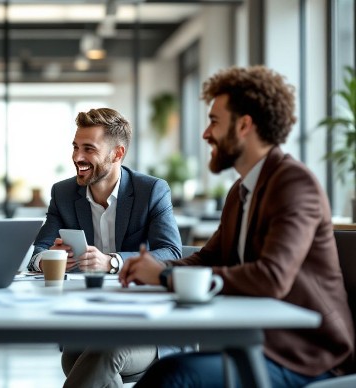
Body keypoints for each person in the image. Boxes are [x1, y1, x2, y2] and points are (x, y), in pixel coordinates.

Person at [122, 65, 355, 387]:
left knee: (173, 375)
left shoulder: (293, 183)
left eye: (214, 121)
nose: (206, 134)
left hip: (307, 355)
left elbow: (271, 278)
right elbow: (209, 257)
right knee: (171, 370)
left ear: (244, 125)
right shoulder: (242, 190)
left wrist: (164, 275)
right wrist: (150, 268)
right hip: (258, 343)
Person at [27, 107, 182, 388]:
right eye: (75, 147)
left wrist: (111, 262)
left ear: (117, 154)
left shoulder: (152, 191)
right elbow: (38, 253)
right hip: (89, 324)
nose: (77, 157)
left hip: (149, 329)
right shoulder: (63, 193)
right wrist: (52, 258)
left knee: (103, 353)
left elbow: (171, 253)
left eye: (89, 149)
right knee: (75, 357)